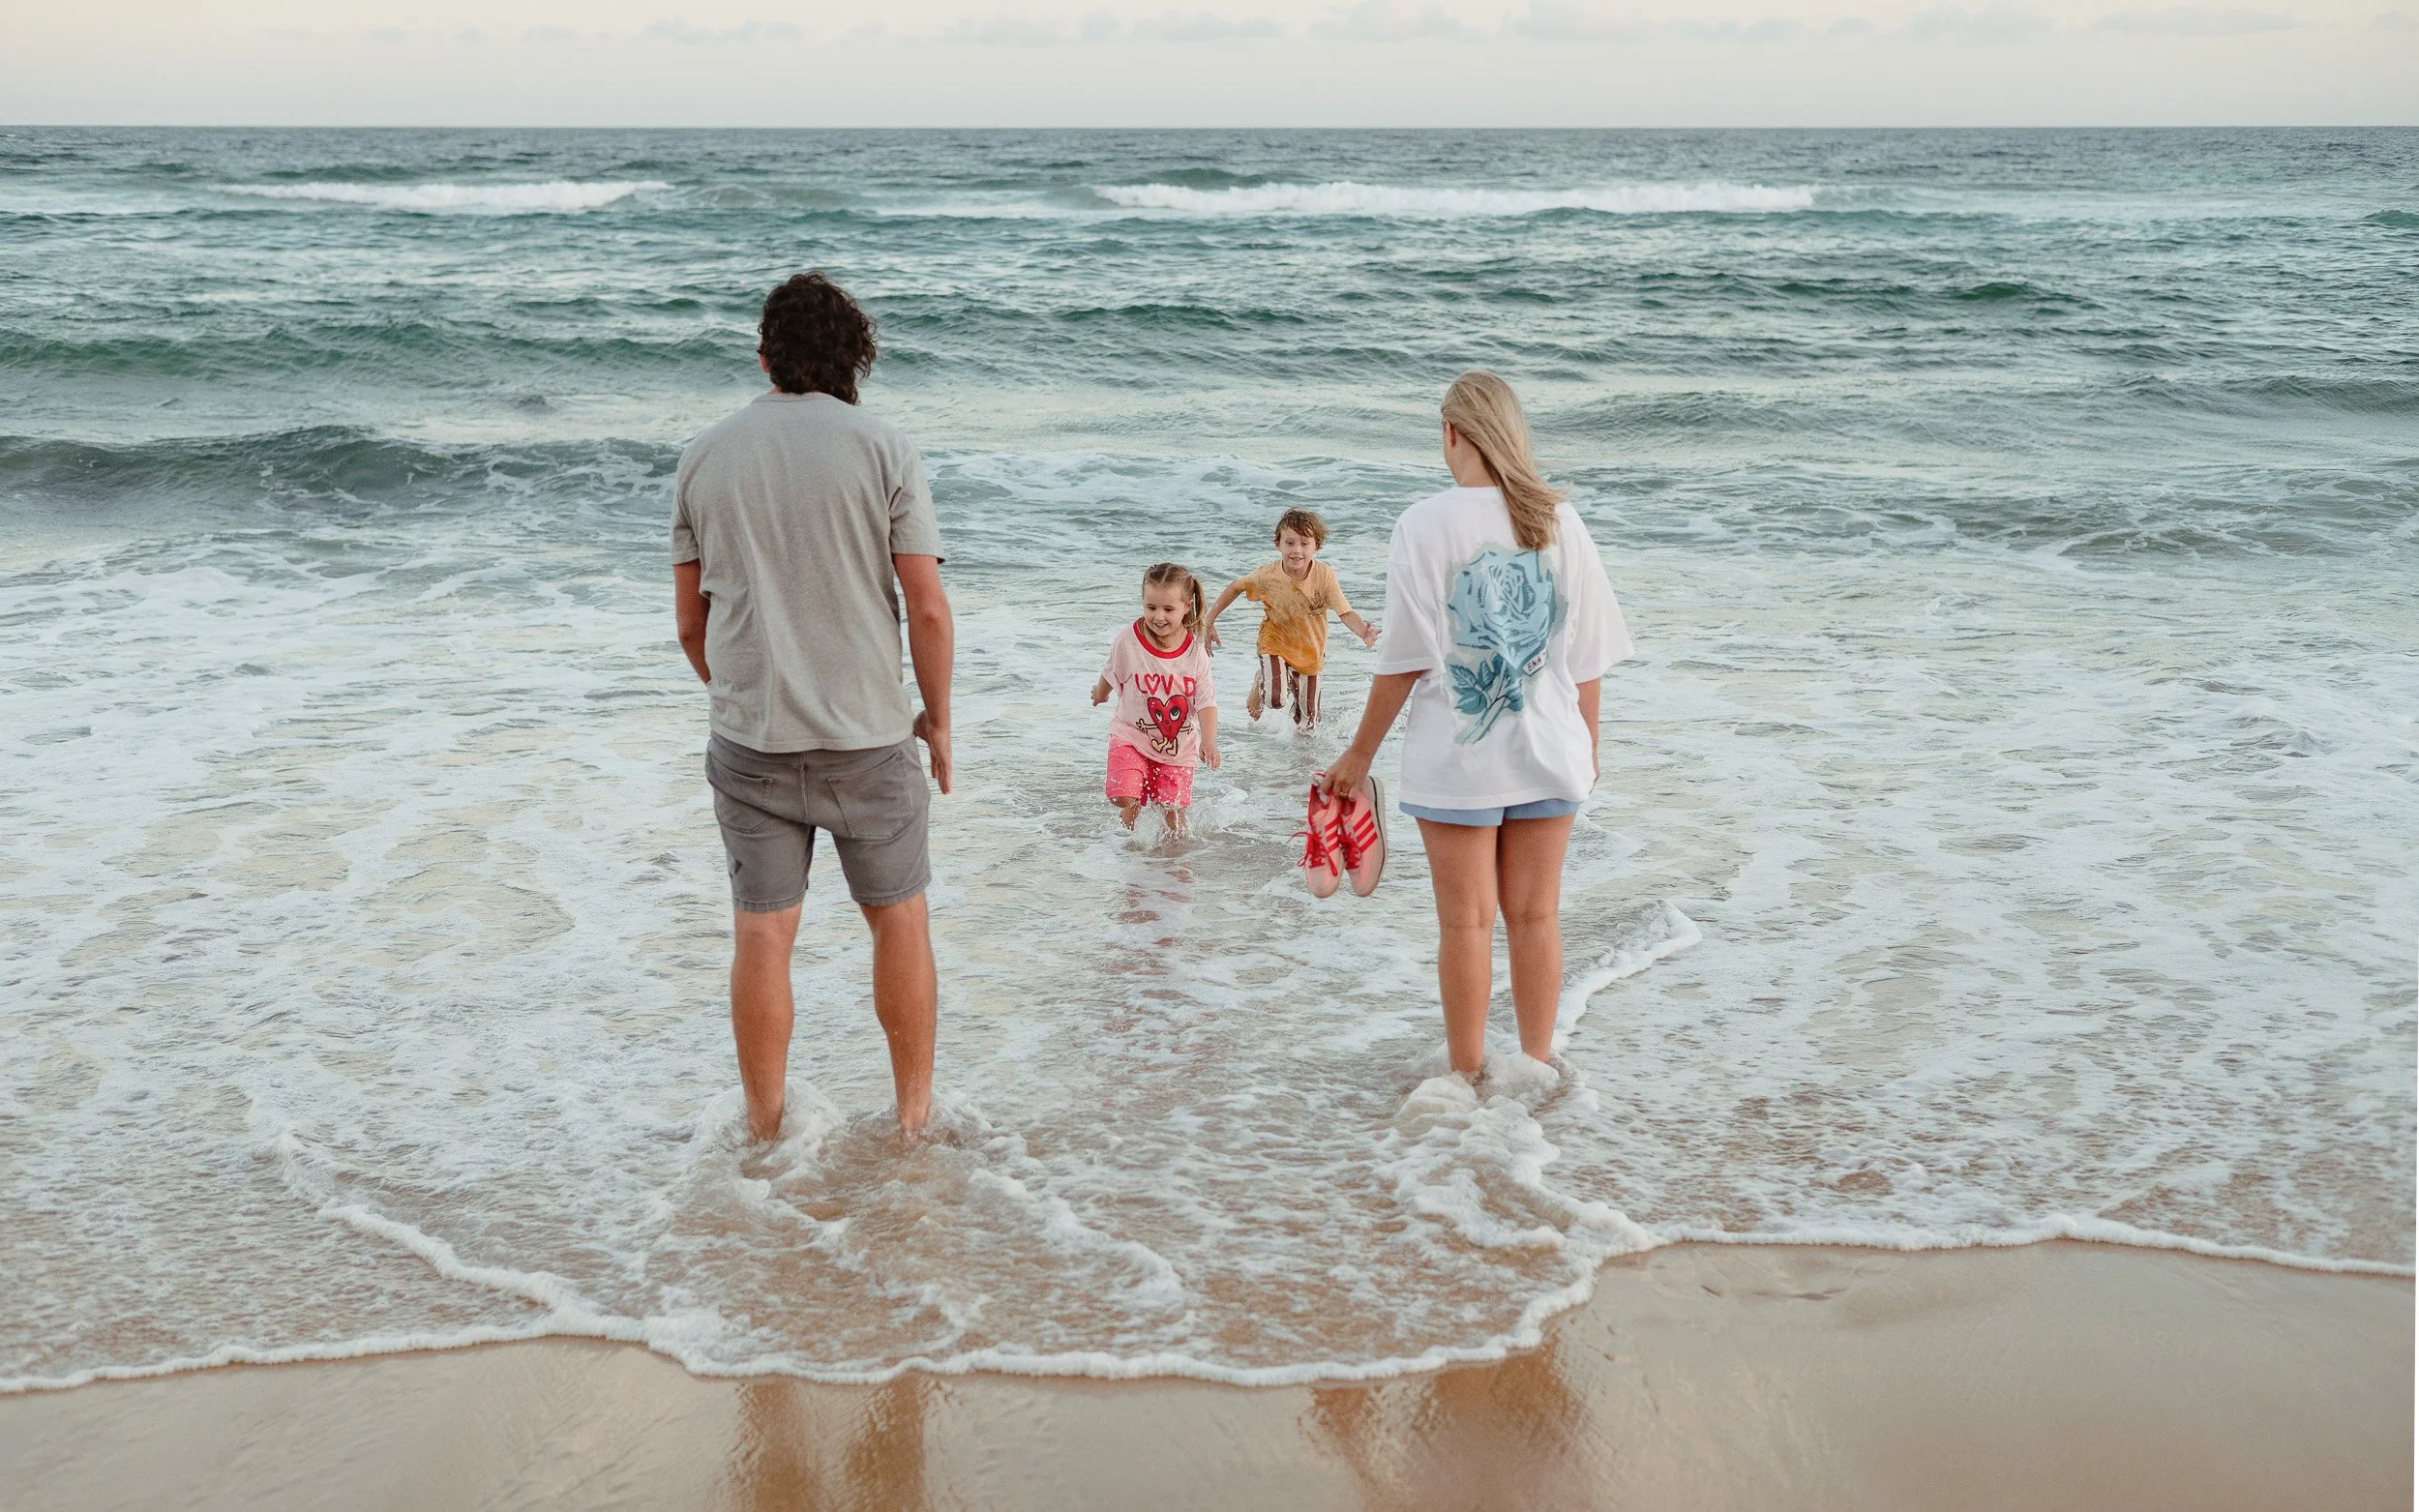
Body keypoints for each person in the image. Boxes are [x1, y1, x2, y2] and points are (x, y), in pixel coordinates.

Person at [671, 272, 954, 1141]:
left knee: (762, 937)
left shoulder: (703, 455)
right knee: (898, 921)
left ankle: (765, 1129)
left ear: (764, 357)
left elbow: (693, 625)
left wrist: (746, 701)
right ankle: (912, 1121)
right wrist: (936, 721)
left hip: (751, 740)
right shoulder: (883, 447)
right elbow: (929, 608)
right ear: (853, 361)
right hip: (868, 738)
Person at [1320, 371, 1630, 1080]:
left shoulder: (1424, 523)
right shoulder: (1559, 518)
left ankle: (1464, 1084)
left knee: (1466, 924)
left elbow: (1401, 658)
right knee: (1536, 917)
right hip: (1552, 750)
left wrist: (1357, 755)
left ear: (1451, 433)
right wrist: (1588, 747)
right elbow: (1588, 658)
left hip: (1458, 760)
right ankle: (1535, 1072)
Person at [1205, 509, 1378, 733]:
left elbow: (1344, 611)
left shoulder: (1325, 576)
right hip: (1274, 642)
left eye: (1305, 544)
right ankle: (1261, 681)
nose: (1297, 550)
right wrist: (1209, 620)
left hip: (1310, 651)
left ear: (1317, 547)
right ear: (1278, 544)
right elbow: (1237, 586)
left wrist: (1363, 630)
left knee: (1308, 725)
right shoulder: (1267, 575)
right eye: (1290, 543)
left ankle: (1299, 766)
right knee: (1275, 699)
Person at [1091, 562, 1220, 837]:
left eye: (1168, 609)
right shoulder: (1128, 641)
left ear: (1187, 606)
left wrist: (1208, 742)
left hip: (1178, 750)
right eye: (1151, 608)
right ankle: (1129, 838)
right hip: (1131, 736)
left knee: (1175, 827)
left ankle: (1169, 868)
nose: (1158, 617)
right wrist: (1100, 693)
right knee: (1123, 796)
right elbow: (1112, 670)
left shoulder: (1195, 653)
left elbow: (1206, 701)